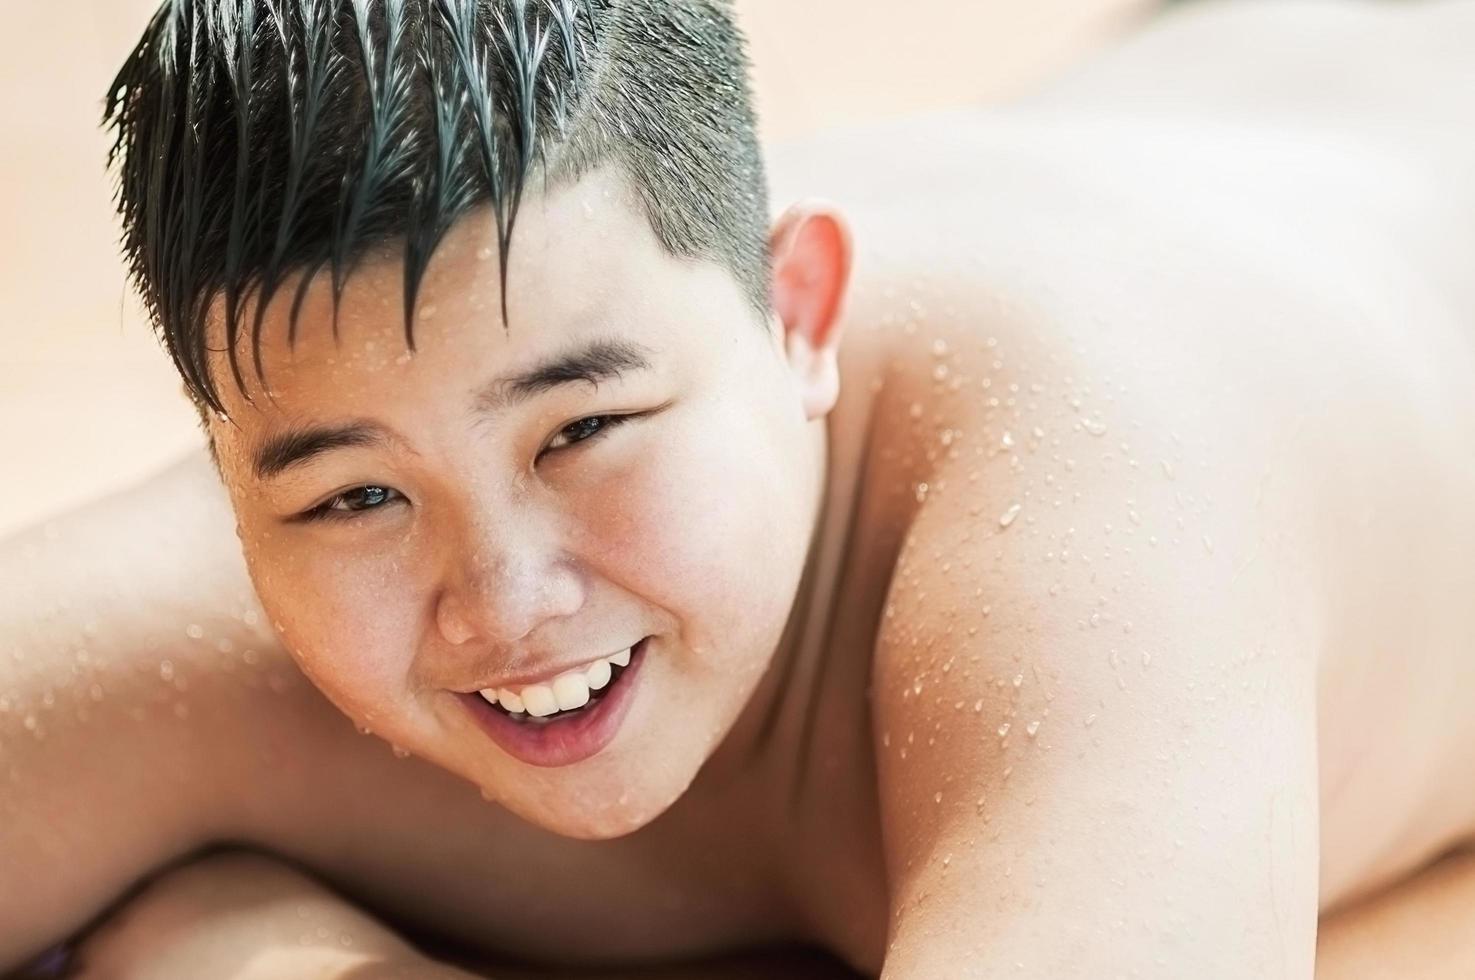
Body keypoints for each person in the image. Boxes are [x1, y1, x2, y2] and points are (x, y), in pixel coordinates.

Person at [3, 0, 1474, 976]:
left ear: (799, 311)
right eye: (352, 502)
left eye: (582, 433)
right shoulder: (293, 523)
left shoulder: (1116, 529)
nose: (504, 605)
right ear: (224, 477)